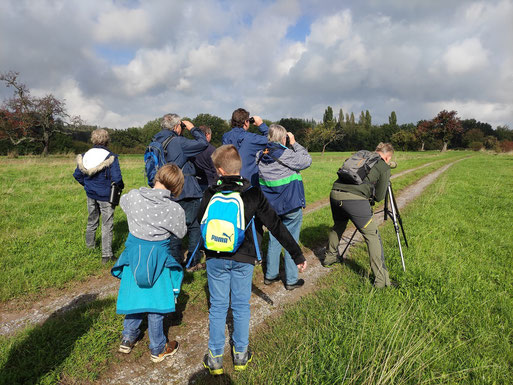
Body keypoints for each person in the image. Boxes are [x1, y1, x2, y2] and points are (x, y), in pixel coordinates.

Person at [199, 145, 307, 375]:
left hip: (215, 258)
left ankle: (215, 358)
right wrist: (296, 254)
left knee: (218, 307)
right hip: (244, 257)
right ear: (238, 167)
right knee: (240, 306)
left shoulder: (210, 193)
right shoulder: (253, 193)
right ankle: (240, 355)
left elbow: (200, 223)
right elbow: (276, 225)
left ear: (219, 170)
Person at [111, 164, 186, 363]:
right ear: (176, 186)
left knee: (135, 297)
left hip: (133, 256)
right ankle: (158, 347)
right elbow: (181, 232)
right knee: (156, 303)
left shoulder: (134, 196)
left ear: (157, 177)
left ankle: (128, 337)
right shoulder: (174, 208)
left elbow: (123, 203)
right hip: (158, 258)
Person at [323, 142, 395, 288]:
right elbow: (380, 197)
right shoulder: (383, 165)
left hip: (335, 194)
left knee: (338, 225)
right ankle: (381, 281)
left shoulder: (361, 156)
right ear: (387, 157)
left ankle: (329, 258)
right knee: (372, 236)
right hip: (354, 201)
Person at [256, 124, 312, 290]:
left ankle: (270, 275)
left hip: (270, 206)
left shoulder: (259, 155)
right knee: (291, 239)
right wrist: (294, 143)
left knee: (275, 237)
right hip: (290, 205)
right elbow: (306, 161)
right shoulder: (285, 153)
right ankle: (291, 280)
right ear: (283, 138)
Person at [152, 113, 208, 266]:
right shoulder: (178, 142)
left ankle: (174, 260)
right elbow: (203, 143)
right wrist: (192, 128)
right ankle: (192, 260)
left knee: (171, 225)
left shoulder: (156, 140)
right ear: (177, 127)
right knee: (194, 225)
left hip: (164, 189)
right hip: (185, 190)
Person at [73, 128, 124, 264]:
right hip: (106, 196)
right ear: (107, 140)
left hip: (90, 194)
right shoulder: (110, 157)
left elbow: (77, 175)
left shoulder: (85, 155)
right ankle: (106, 255)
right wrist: (120, 187)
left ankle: (89, 248)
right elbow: (117, 178)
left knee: (92, 221)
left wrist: (87, 185)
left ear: (93, 139)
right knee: (107, 224)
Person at [222, 108, 268, 186]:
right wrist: (261, 124)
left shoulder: (225, 136)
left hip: (230, 181)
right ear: (246, 122)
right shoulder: (251, 138)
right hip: (247, 183)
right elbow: (272, 140)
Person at [192, 125, 217, 191]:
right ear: (207, 135)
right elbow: (215, 170)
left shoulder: (191, 147)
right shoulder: (211, 150)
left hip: (195, 182)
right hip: (209, 182)